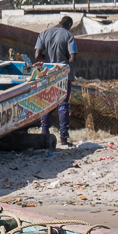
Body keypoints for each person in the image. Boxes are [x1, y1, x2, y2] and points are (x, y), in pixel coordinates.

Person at [33, 15, 77, 146]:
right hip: (63, 74)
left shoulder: (44, 33)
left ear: (59, 22)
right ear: (69, 25)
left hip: (48, 73)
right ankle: (63, 138)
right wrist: (63, 61)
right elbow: (73, 58)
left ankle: (44, 135)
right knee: (63, 105)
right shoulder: (69, 36)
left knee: (46, 104)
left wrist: (49, 60)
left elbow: (37, 55)